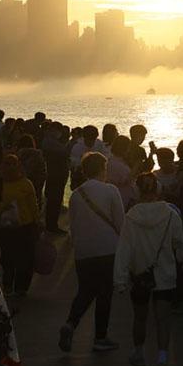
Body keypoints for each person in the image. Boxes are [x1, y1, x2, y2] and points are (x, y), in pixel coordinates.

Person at [114, 171, 183, 366]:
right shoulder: (171, 214)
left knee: (140, 317)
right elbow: (178, 243)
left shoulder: (131, 217)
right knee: (163, 319)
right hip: (165, 273)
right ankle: (162, 359)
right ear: (158, 189)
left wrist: (120, 279)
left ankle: (139, 353)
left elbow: (124, 249)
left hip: (140, 275)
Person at [59, 151, 125, 353]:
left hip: (83, 251)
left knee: (86, 290)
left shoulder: (77, 195)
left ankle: (71, 323)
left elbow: (74, 225)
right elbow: (120, 222)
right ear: (101, 169)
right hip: (107, 249)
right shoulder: (111, 190)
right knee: (105, 293)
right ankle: (100, 337)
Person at [0, 154, 41, 297]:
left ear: (18, 166)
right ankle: (8, 285)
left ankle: (21, 287)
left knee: (26, 258)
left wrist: (37, 222)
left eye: (13, 164)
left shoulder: (26, 184)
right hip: (7, 227)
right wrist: (5, 206)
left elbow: (33, 205)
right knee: (7, 258)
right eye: (7, 164)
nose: (10, 167)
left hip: (25, 226)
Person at [42, 123, 72, 233]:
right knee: (54, 201)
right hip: (56, 176)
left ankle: (51, 225)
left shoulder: (49, 142)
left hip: (54, 175)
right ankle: (52, 226)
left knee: (53, 201)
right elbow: (65, 152)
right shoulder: (51, 143)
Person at [107, 135, 136, 209]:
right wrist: (135, 169)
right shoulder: (116, 164)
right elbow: (125, 181)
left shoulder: (112, 161)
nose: (129, 150)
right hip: (123, 199)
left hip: (121, 197)